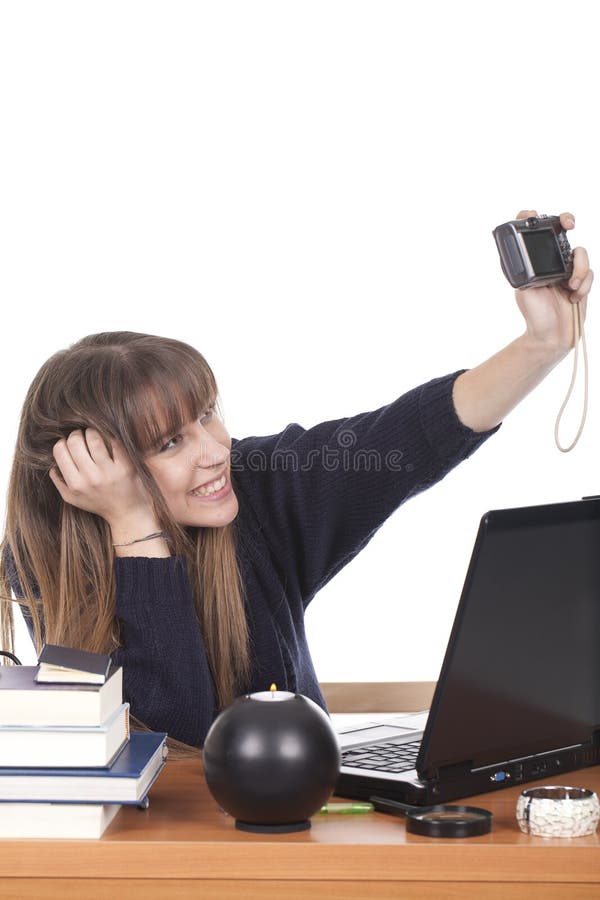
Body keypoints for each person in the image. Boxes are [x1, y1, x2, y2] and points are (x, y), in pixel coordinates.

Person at [0, 210, 593, 748]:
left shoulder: (259, 487)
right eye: (170, 442)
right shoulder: (45, 556)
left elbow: (408, 438)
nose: (215, 453)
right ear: (88, 468)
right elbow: (174, 747)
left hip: (299, 834)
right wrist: (135, 529)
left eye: (207, 415)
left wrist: (544, 343)